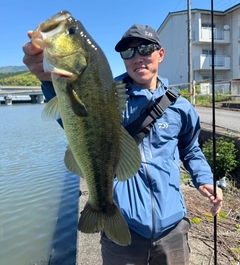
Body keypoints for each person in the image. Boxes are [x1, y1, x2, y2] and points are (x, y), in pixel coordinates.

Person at [23, 24, 223, 265]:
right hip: (124, 228)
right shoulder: (109, 94)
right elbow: (74, 119)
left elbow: (190, 149)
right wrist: (49, 80)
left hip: (173, 229)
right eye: (128, 53)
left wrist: (204, 178)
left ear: (160, 54)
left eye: (145, 49)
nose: (137, 58)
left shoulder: (181, 107)